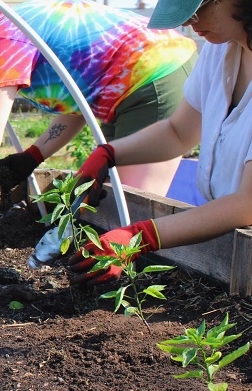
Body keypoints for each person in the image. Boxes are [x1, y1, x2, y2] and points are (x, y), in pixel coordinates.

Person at [0, 0, 197, 242]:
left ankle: (131, 290)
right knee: (111, 199)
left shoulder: (1, 40)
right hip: (132, 83)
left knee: (127, 210)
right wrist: (33, 156)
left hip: (155, 75)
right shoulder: (13, 25)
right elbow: (78, 104)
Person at [70, 0, 252, 284]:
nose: (189, 22)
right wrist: (109, 153)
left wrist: (139, 236)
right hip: (228, 248)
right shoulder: (221, 50)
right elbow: (179, 132)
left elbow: (247, 204)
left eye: (196, 10)